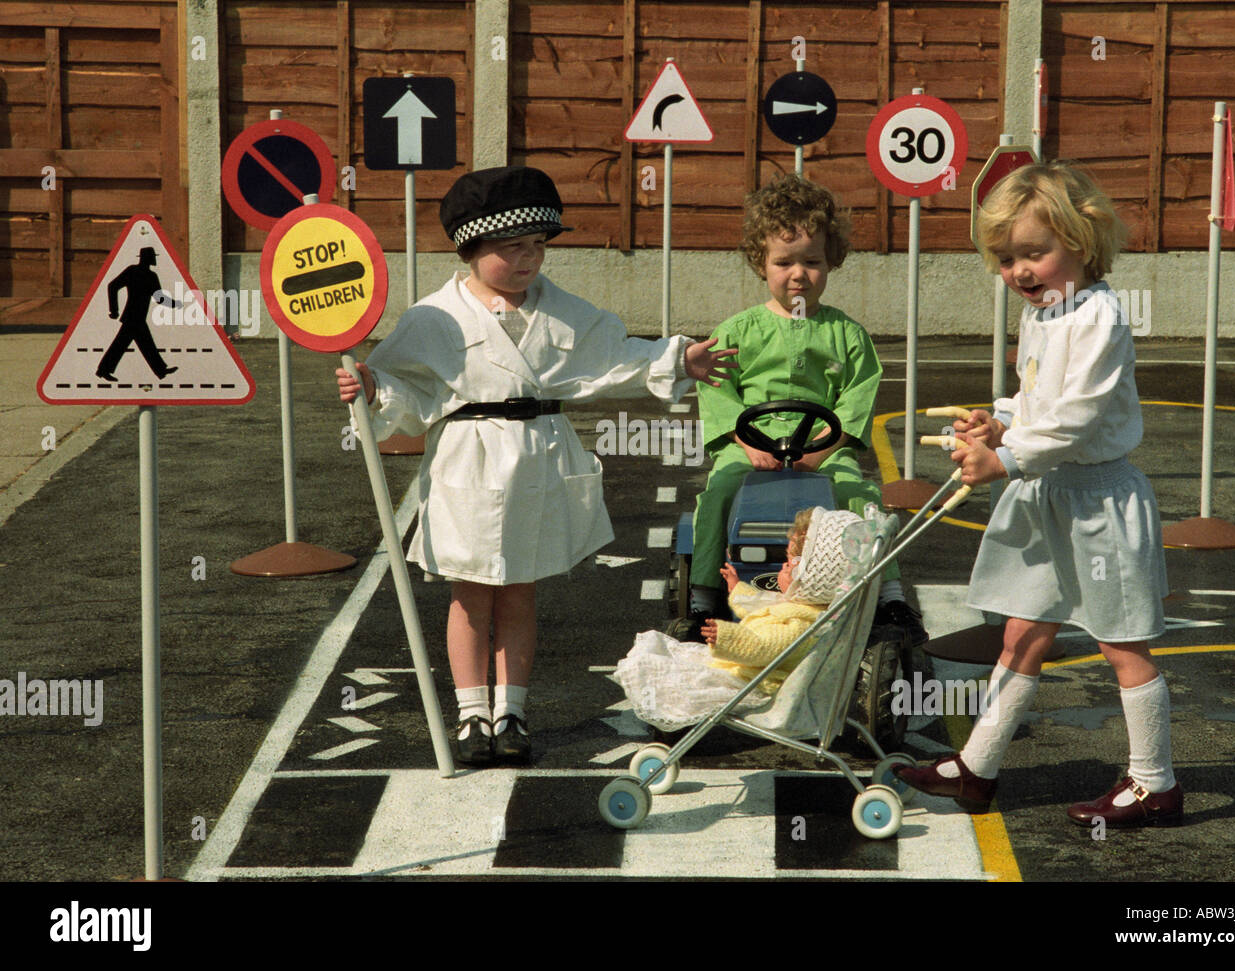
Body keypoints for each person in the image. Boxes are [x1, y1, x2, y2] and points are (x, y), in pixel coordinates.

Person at [336, 166, 737, 766]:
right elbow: (407, 390)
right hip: (469, 463)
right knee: (471, 593)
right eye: (510, 249)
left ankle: (512, 711)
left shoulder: (565, 313)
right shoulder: (434, 318)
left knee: (520, 590)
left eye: (538, 246)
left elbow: (617, 357)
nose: (528, 260)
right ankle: (473, 714)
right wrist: (370, 390)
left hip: (538, 459)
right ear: (471, 250)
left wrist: (679, 358)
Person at [895, 161, 1179, 828]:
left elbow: (1076, 417)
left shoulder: (1099, 317)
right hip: (1047, 490)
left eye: (1034, 253)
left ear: (1080, 241)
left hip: (1098, 502)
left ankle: (1155, 782)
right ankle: (977, 766)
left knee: (1122, 642)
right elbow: (1034, 400)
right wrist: (1001, 422)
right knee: (1021, 633)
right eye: (1005, 259)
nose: (1019, 271)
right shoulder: (1043, 316)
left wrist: (1006, 456)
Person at [681, 174, 927, 646]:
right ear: (760, 263)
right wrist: (743, 441)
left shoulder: (847, 335)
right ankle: (703, 598)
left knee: (860, 495)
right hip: (750, 446)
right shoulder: (736, 331)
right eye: (784, 262)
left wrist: (824, 449)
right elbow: (717, 389)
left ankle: (890, 596)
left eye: (812, 262)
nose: (798, 274)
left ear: (830, 261)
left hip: (824, 446)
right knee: (718, 493)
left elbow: (856, 398)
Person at [615, 507, 864, 732]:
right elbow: (759, 606)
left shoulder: (802, 623)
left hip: (752, 682)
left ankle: (669, 729)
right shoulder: (801, 606)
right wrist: (737, 589)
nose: (782, 567)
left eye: (789, 564)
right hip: (744, 669)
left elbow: (764, 648)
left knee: (674, 676)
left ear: (811, 579)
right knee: (670, 659)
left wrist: (726, 637)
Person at [97, 246, 179, 381]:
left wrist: (175, 304)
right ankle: (103, 371)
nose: (154, 259)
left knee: (140, 344)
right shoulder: (134, 271)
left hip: (137, 317)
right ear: (147, 258)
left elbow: (159, 298)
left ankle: (161, 371)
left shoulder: (151, 276)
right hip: (132, 317)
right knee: (127, 345)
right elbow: (113, 286)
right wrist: (114, 310)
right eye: (152, 256)